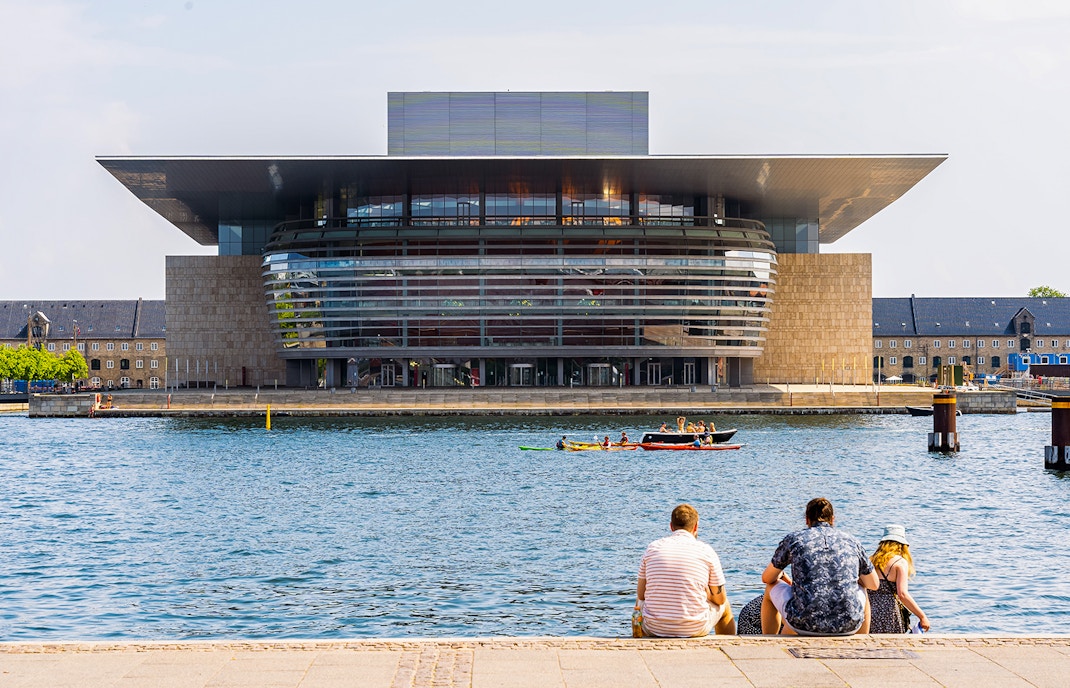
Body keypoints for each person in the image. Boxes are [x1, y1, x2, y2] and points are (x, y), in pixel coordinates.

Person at [760, 497, 878, 635]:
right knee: (863, 587)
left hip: (803, 623)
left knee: (770, 587)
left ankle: (768, 639)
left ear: (807, 520)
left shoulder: (794, 539)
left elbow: (767, 578)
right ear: (832, 519)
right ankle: (861, 642)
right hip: (848, 625)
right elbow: (874, 585)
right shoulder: (852, 541)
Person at [635, 504, 736, 637]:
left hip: (654, 628)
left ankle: (637, 640)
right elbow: (720, 599)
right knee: (725, 607)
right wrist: (708, 595)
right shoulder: (706, 551)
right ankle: (728, 643)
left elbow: (641, 594)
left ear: (671, 526)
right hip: (695, 627)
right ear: (695, 527)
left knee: (638, 604)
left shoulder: (652, 548)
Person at [868, 525, 931, 633]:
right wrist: (922, 616)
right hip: (888, 612)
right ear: (902, 545)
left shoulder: (870, 560)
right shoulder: (899, 563)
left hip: (868, 610)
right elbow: (902, 594)